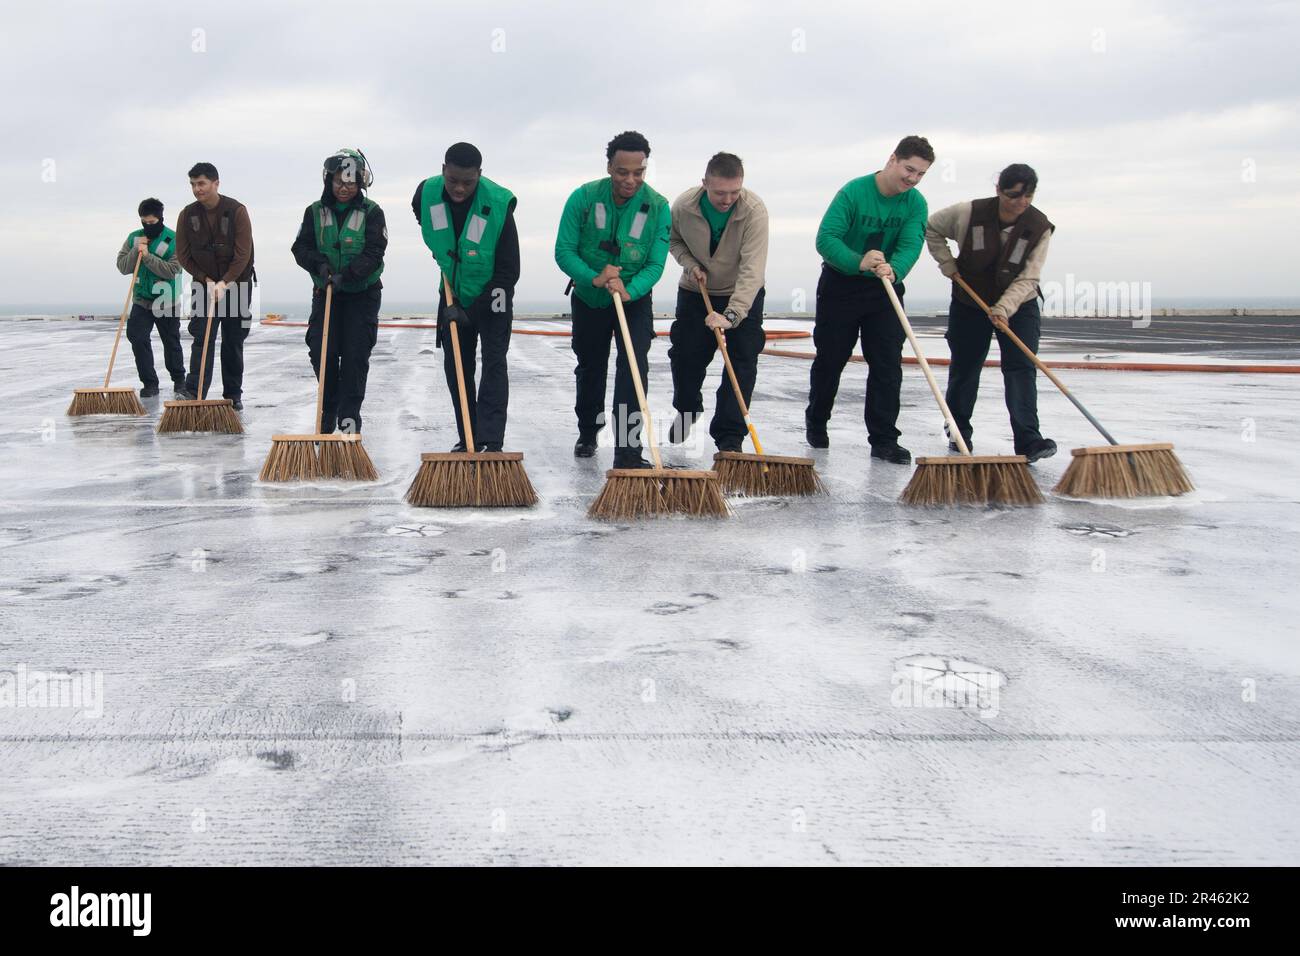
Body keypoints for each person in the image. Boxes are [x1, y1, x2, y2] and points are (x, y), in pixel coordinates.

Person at [804, 135, 934, 464]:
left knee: (888, 364)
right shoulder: (854, 192)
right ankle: (817, 420)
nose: (913, 179)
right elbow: (826, 238)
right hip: (841, 285)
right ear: (892, 159)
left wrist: (896, 269)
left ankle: (884, 438)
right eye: (909, 169)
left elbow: (910, 244)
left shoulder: (915, 203)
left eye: (920, 174)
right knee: (831, 359)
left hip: (884, 287)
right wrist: (856, 260)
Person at [555, 130, 671, 468]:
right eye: (623, 172)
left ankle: (628, 451)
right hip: (590, 297)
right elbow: (564, 250)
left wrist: (629, 289)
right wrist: (594, 277)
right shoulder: (584, 198)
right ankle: (589, 430)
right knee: (591, 365)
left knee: (633, 367)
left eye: (639, 172)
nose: (630, 180)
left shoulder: (660, 208)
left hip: (634, 298)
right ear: (609, 167)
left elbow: (655, 264)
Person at [924, 163, 1057, 461]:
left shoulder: (1040, 227)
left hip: (1019, 305)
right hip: (969, 302)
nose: (1021, 203)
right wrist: (947, 264)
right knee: (966, 367)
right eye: (1013, 195)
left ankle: (1029, 440)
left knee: (1021, 368)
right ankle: (959, 433)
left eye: (1028, 196)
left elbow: (1029, 277)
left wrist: (1004, 308)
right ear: (998, 190)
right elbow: (931, 228)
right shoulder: (968, 213)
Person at [411, 142, 520, 452]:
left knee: (494, 363)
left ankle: (491, 440)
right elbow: (420, 214)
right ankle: (469, 437)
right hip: (453, 293)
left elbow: (509, 271)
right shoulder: (426, 193)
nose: (459, 188)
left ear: (480, 175)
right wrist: (442, 250)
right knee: (456, 366)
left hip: (494, 294)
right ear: (443, 170)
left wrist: (472, 312)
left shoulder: (498, 204)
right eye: (453, 180)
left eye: (468, 182)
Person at [665, 151, 769, 453]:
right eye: (720, 192)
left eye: (735, 192)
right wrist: (689, 263)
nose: (727, 199)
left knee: (742, 362)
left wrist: (732, 315)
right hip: (697, 291)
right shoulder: (684, 206)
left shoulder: (754, 210)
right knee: (686, 357)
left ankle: (730, 437)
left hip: (742, 293)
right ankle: (687, 408)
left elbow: (753, 268)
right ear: (704, 184)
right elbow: (674, 241)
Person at [290, 148, 387, 434]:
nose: (344, 188)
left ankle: (349, 419)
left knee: (356, 356)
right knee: (322, 352)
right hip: (325, 293)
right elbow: (301, 247)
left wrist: (349, 275)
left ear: (361, 183)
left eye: (351, 182)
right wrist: (320, 266)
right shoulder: (313, 212)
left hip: (362, 295)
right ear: (328, 180)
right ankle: (329, 406)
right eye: (338, 182)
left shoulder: (372, 212)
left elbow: (374, 252)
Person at [174, 162, 255, 409]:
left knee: (233, 341)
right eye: (193, 184)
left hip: (237, 284)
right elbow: (184, 255)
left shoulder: (237, 210)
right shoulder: (187, 215)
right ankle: (194, 391)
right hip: (203, 285)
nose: (197, 189)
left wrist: (225, 282)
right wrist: (208, 281)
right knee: (202, 338)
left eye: (202, 184)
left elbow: (243, 254)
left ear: (215, 183)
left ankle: (233, 395)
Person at [116, 198, 185, 397]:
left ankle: (179, 379)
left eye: (152, 223)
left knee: (171, 341)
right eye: (144, 222)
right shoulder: (134, 238)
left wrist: (147, 256)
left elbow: (172, 271)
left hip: (166, 299)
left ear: (160, 219)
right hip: (141, 299)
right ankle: (149, 382)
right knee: (137, 338)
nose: (147, 226)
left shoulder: (173, 239)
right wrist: (137, 251)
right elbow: (122, 266)